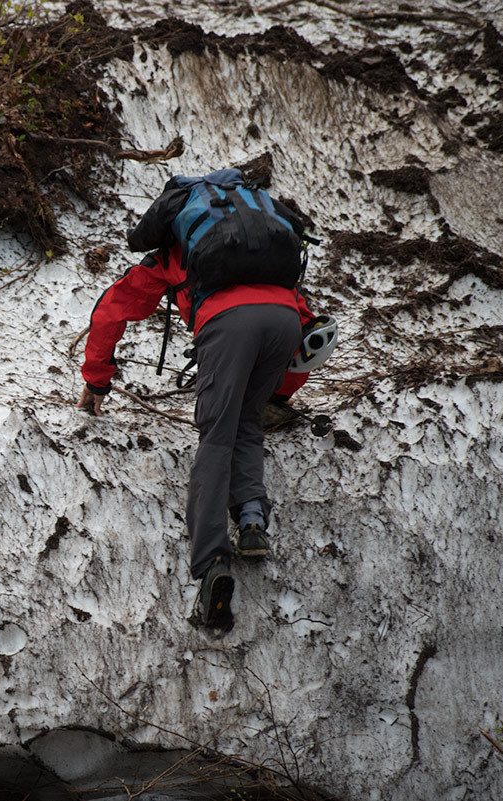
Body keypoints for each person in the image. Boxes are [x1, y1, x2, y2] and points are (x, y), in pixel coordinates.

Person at [77, 170, 316, 633]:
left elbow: (113, 309)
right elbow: (307, 326)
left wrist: (97, 380)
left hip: (229, 325)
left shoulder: (178, 250)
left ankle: (211, 565)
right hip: (284, 319)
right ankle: (251, 522)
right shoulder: (259, 239)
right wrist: (283, 391)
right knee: (248, 422)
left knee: (216, 436)